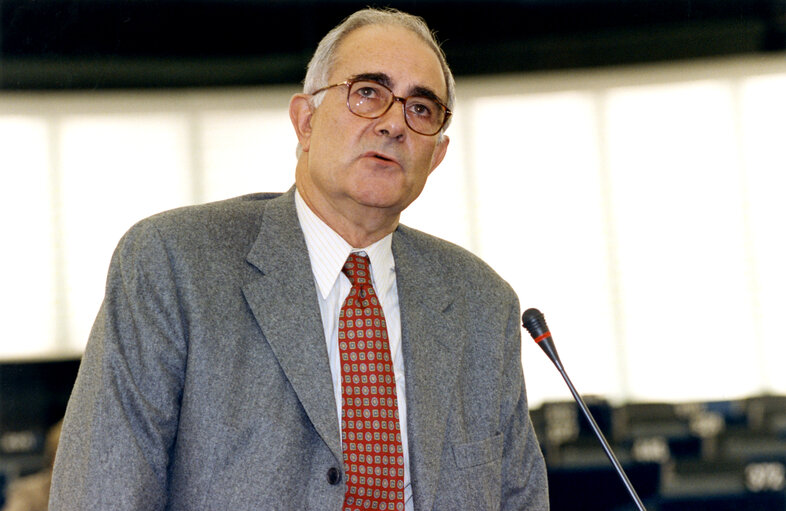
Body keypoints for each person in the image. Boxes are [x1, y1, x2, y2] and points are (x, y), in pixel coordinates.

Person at [49, 7, 548, 510]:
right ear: (305, 121)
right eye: (368, 93)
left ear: (436, 156)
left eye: (421, 109)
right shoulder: (174, 264)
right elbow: (99, 492)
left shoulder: (482, 304)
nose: (394, 124)